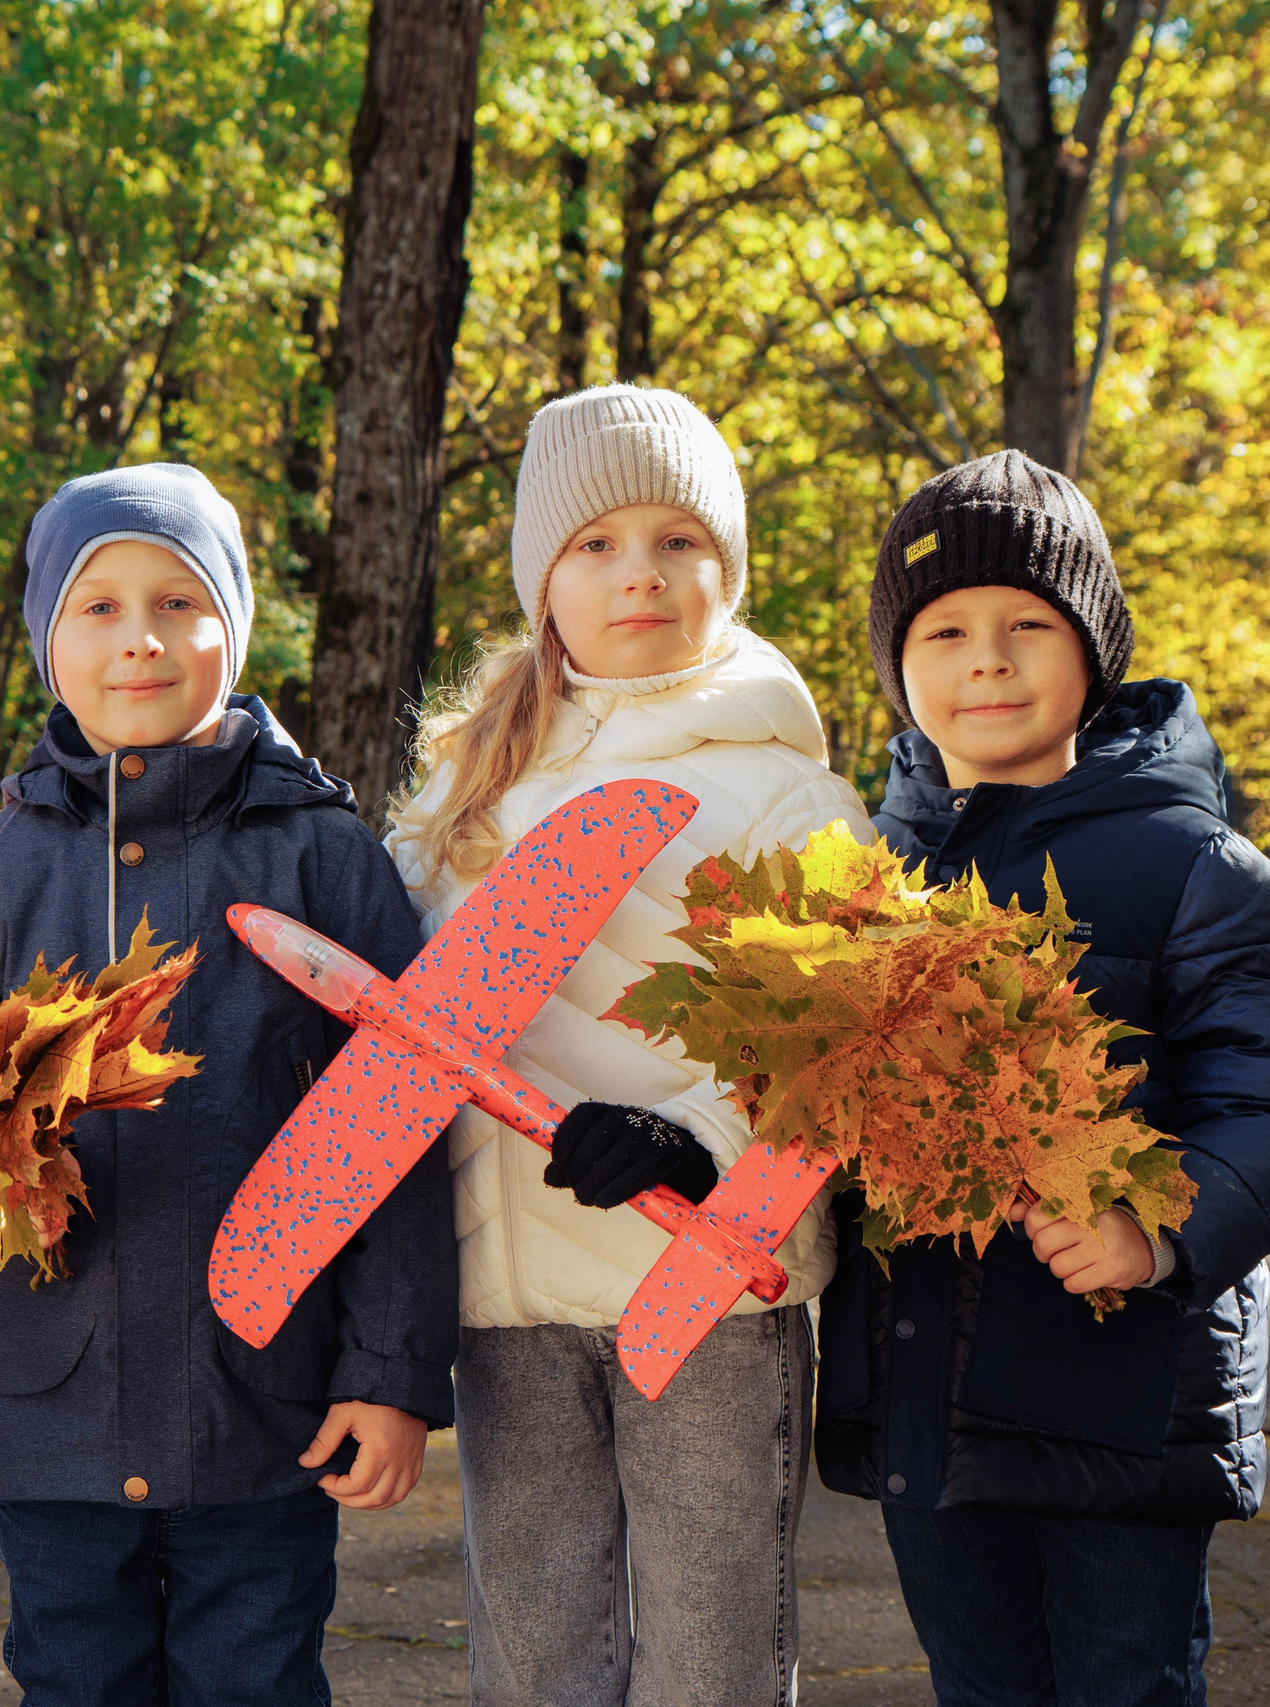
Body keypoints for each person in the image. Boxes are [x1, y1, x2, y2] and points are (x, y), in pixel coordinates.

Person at [0, 463, 458, 1707]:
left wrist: (389, 1370)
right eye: (97, 608)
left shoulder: (323, 858)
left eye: (178, 603)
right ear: (51, 644)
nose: (139, 639)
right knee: (73, 1678)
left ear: (233, 629)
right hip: (55, 1406)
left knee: (255, 1677)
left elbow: (400, 1135)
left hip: (260, 1399)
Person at [815, 450, 1270, 1707]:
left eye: (1026, 626)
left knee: (1124, 1681)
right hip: (924, 1396)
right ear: (898, 666)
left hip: (1120, 1395)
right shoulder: (867, 870)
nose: (986, 660)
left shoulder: (1188, 863)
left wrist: (1155, 1229)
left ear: (1091, 650)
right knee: (981, 1683)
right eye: (943, 630)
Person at [383, 385, 870, 1707]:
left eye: (678, 540)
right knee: (536, 1655)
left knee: (709, 1656)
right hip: (509, 1299)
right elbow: (397, 1001)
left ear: (731, 567)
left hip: (705, 1288)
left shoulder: (784, 783)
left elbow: (838, 1032)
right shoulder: (461, 783)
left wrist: (701, 1145)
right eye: (595, 543)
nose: (638, 573)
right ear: (544, 576)